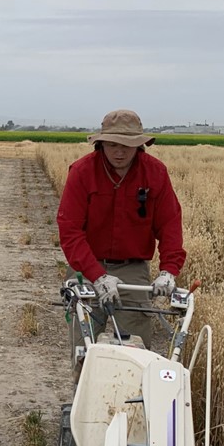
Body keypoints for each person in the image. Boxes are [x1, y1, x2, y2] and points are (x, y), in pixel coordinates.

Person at [56, 109, 185, 350]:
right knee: (84, 347)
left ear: (140, 145)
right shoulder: (82, 172)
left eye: (127, 145)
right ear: (101, 143)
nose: (119, 152)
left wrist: (169, 270)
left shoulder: (155, 173)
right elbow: (70, 229)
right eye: (113, 144)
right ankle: (83, 383)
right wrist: (98, 275)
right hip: (86, 266)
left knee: (134, 349)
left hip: (132, 269)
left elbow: (170, 224)